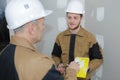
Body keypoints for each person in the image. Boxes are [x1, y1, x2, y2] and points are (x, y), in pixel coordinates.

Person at [0, 0, 80, 80]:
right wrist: (72, 71)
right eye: (43, 24)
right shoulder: (41, 64)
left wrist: (51, 73)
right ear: (32, 28)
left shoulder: (3, 53)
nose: (43, 27)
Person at [52, 0, 103, 80]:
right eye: (69, 17)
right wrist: (58, 64)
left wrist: (88, 68)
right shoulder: (60, 37)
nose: (72, 21)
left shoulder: (89, 37)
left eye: (75, 18)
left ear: (81, 18)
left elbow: (98, 59)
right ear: (66, 17)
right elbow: (55, 56)